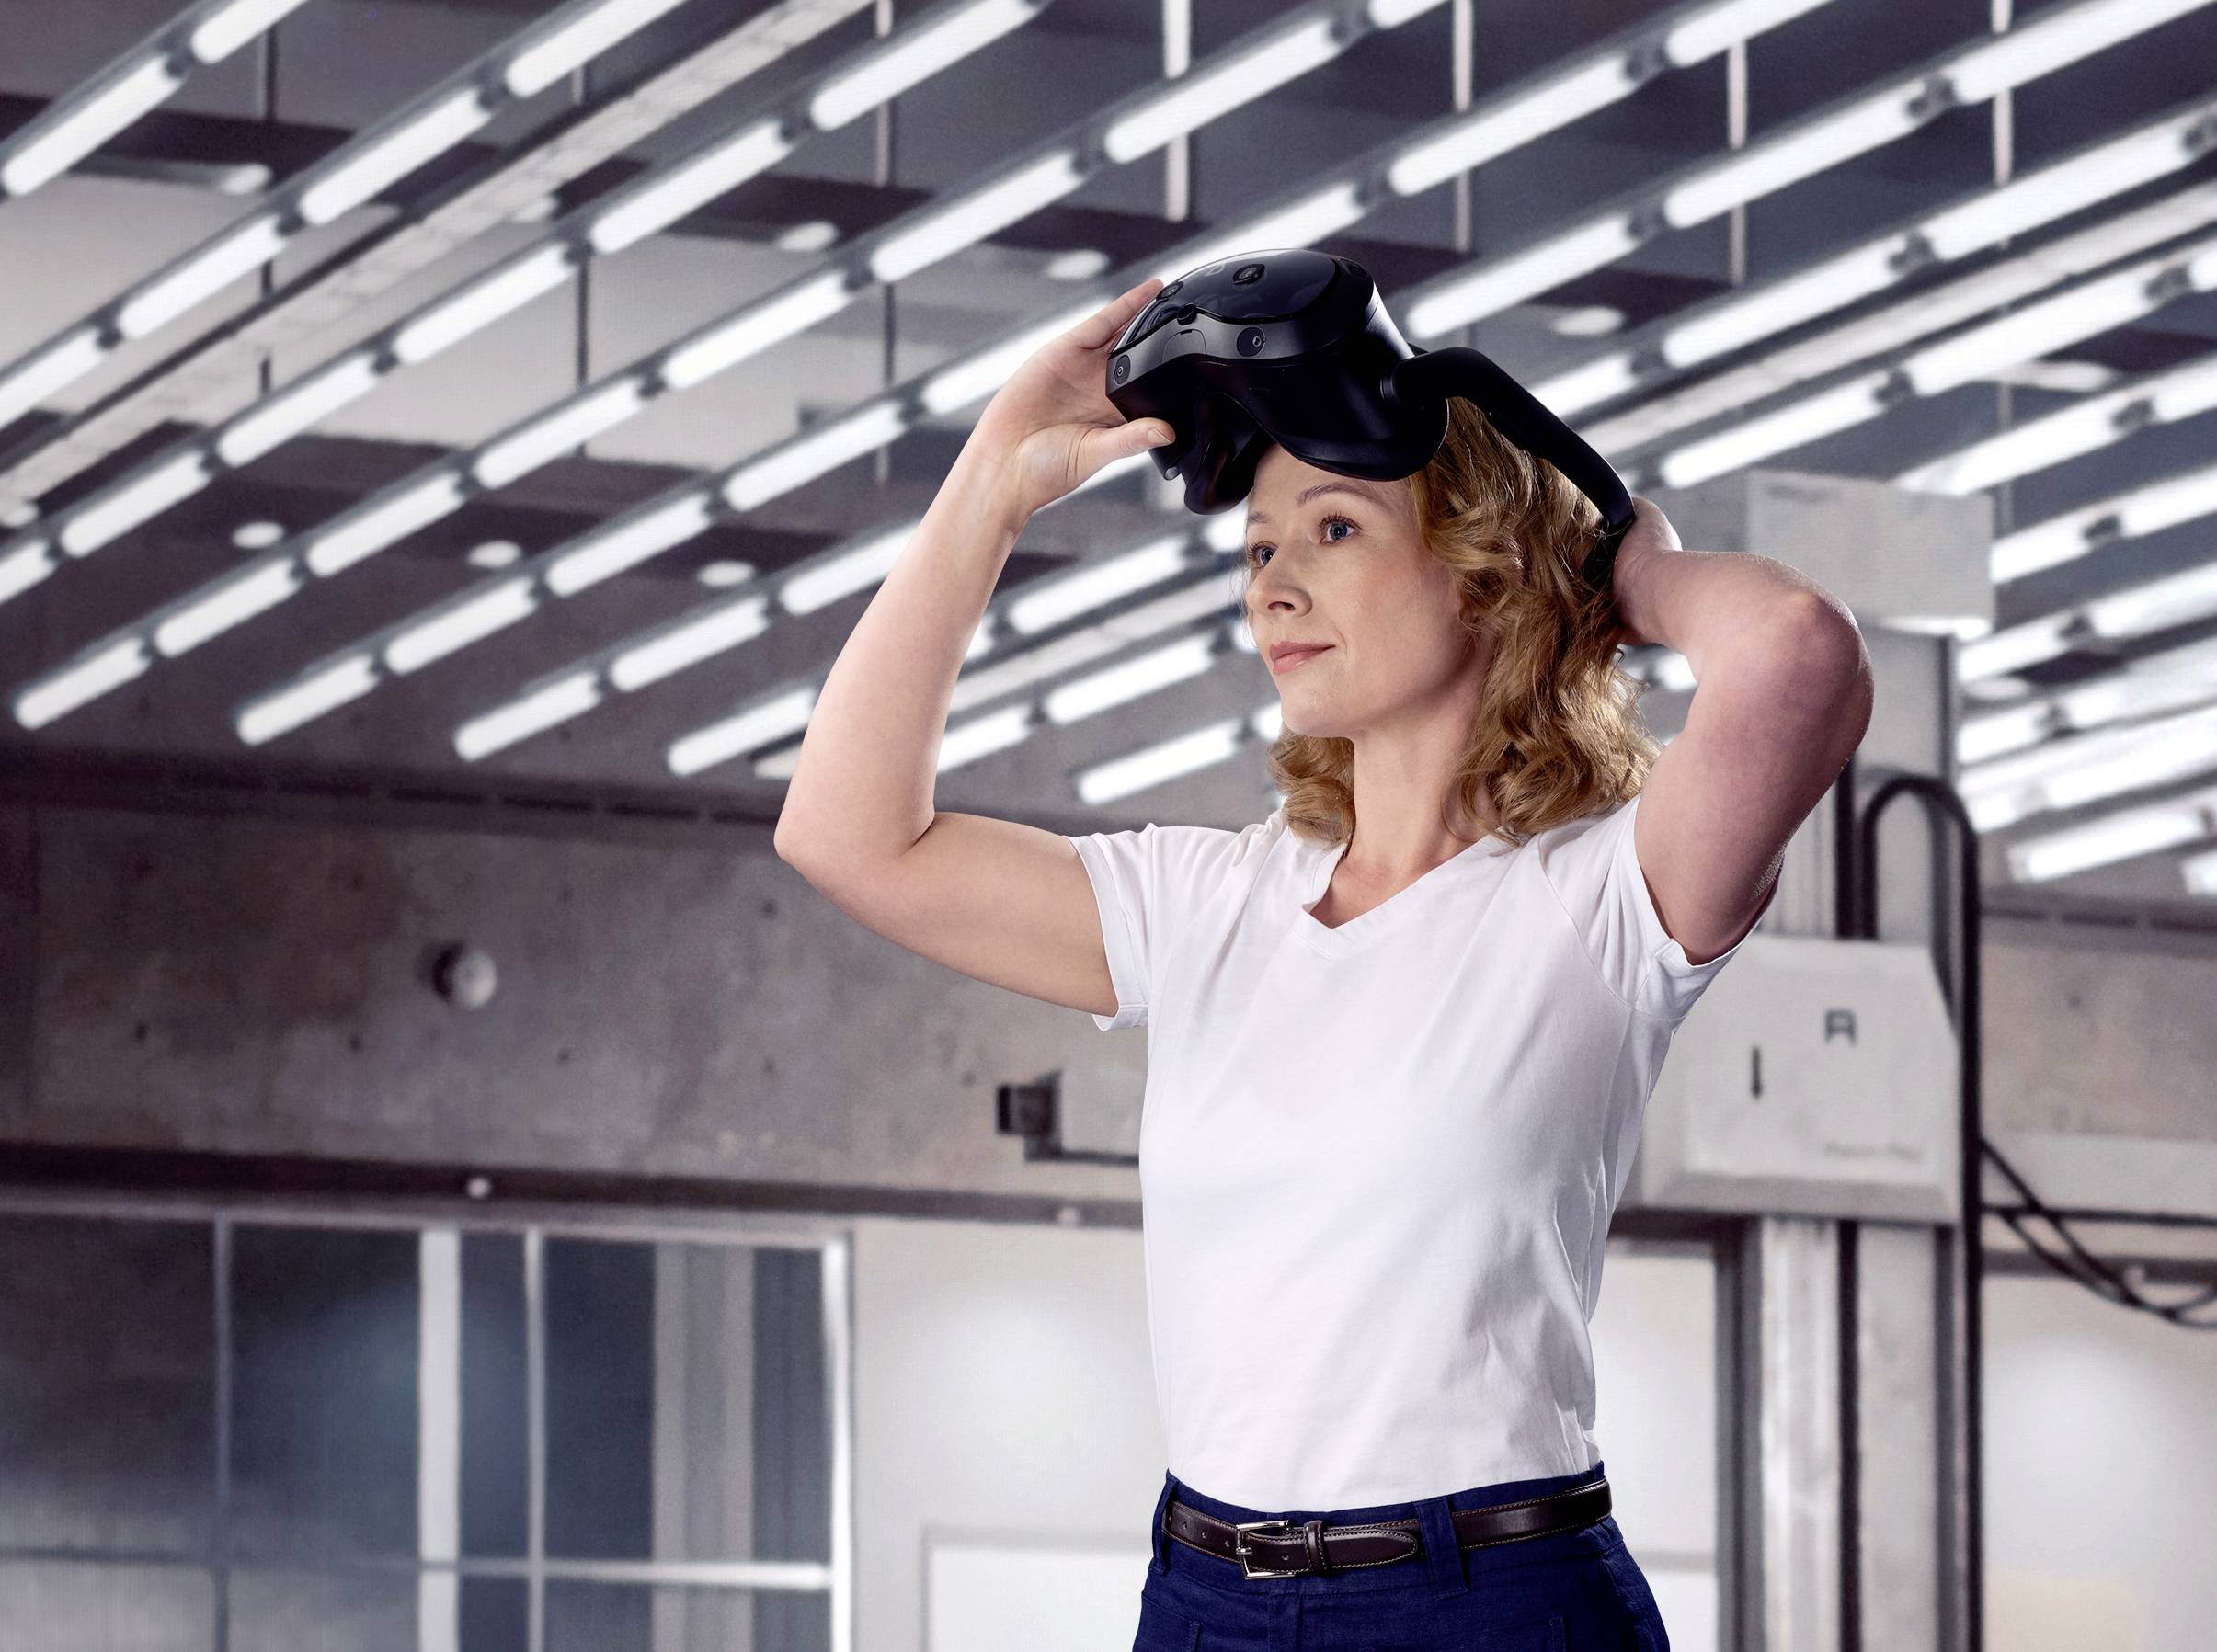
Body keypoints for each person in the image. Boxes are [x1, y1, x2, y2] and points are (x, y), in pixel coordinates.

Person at [772, 278, 1874, 1650]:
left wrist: (1624, 565)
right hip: (1204, 1595)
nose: (1275, 583)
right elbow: (846, 833)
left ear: (1485, 571)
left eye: (1336, 528)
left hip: (1491, 1600)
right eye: (1256, 548)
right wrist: (995, 475)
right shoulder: (1208, 900)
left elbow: (1799, 657)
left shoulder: (1597, 900)